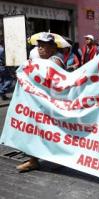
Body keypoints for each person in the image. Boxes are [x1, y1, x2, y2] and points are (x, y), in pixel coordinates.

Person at [16, 32, 65, 172]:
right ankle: (33, 160)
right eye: (39, 46)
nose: (40, 49)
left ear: (53, 48)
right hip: (39, 103)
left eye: (44, 46)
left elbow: (49, 73)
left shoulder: (57, 59)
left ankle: (61, 158)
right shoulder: (39, 60)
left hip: (54, 104)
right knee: (33, 129)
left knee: (55, 131)